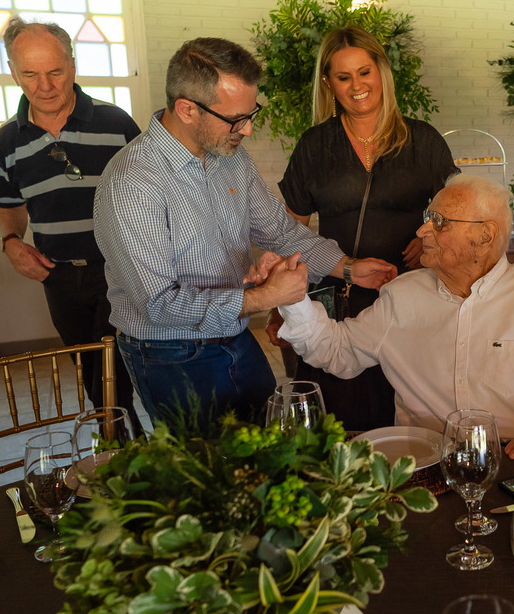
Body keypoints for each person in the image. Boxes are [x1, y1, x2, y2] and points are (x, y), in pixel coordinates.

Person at [93, 37, 396, 426]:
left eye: (251, 114)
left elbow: (281, 232)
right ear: (187, 109)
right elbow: (159, 305)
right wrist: (263, 297)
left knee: (269, 447)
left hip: (234, 336)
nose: (248, 129)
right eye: (236, 119)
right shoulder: (132, 182)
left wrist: (349, 268)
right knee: (209, 473)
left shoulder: (229, 159)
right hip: (169, 352)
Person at [273, 174, 514, 467]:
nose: (421, 231)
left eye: (438, 221)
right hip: (426, 465)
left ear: (486, 236)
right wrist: (292, 295)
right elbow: (335, 351)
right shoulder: (402, 295)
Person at [264, 27, 458, 433]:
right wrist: (277, 305)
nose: (357, 86)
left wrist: (430, 236)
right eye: (343, 77)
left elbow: (459, 211)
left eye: (365, 72)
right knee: (341, 423)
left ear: (382, 72)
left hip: (414, 302)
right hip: (339, 303)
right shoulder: (315, 146)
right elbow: (288, 232)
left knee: (413, 419)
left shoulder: (422, 140)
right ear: (329, 84)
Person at [0, 18, 143, 430]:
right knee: (93, 373)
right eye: (30, 74)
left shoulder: (116, 124)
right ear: (13, 72)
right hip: (57, 277)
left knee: (113, 370)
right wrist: (10, 241)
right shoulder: (7, 141)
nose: (44, 85)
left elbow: (153, 193)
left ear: (72, 66)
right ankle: (123, 445)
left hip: (117, 270)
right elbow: (10, 205)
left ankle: (119, 443)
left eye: (55, 71)